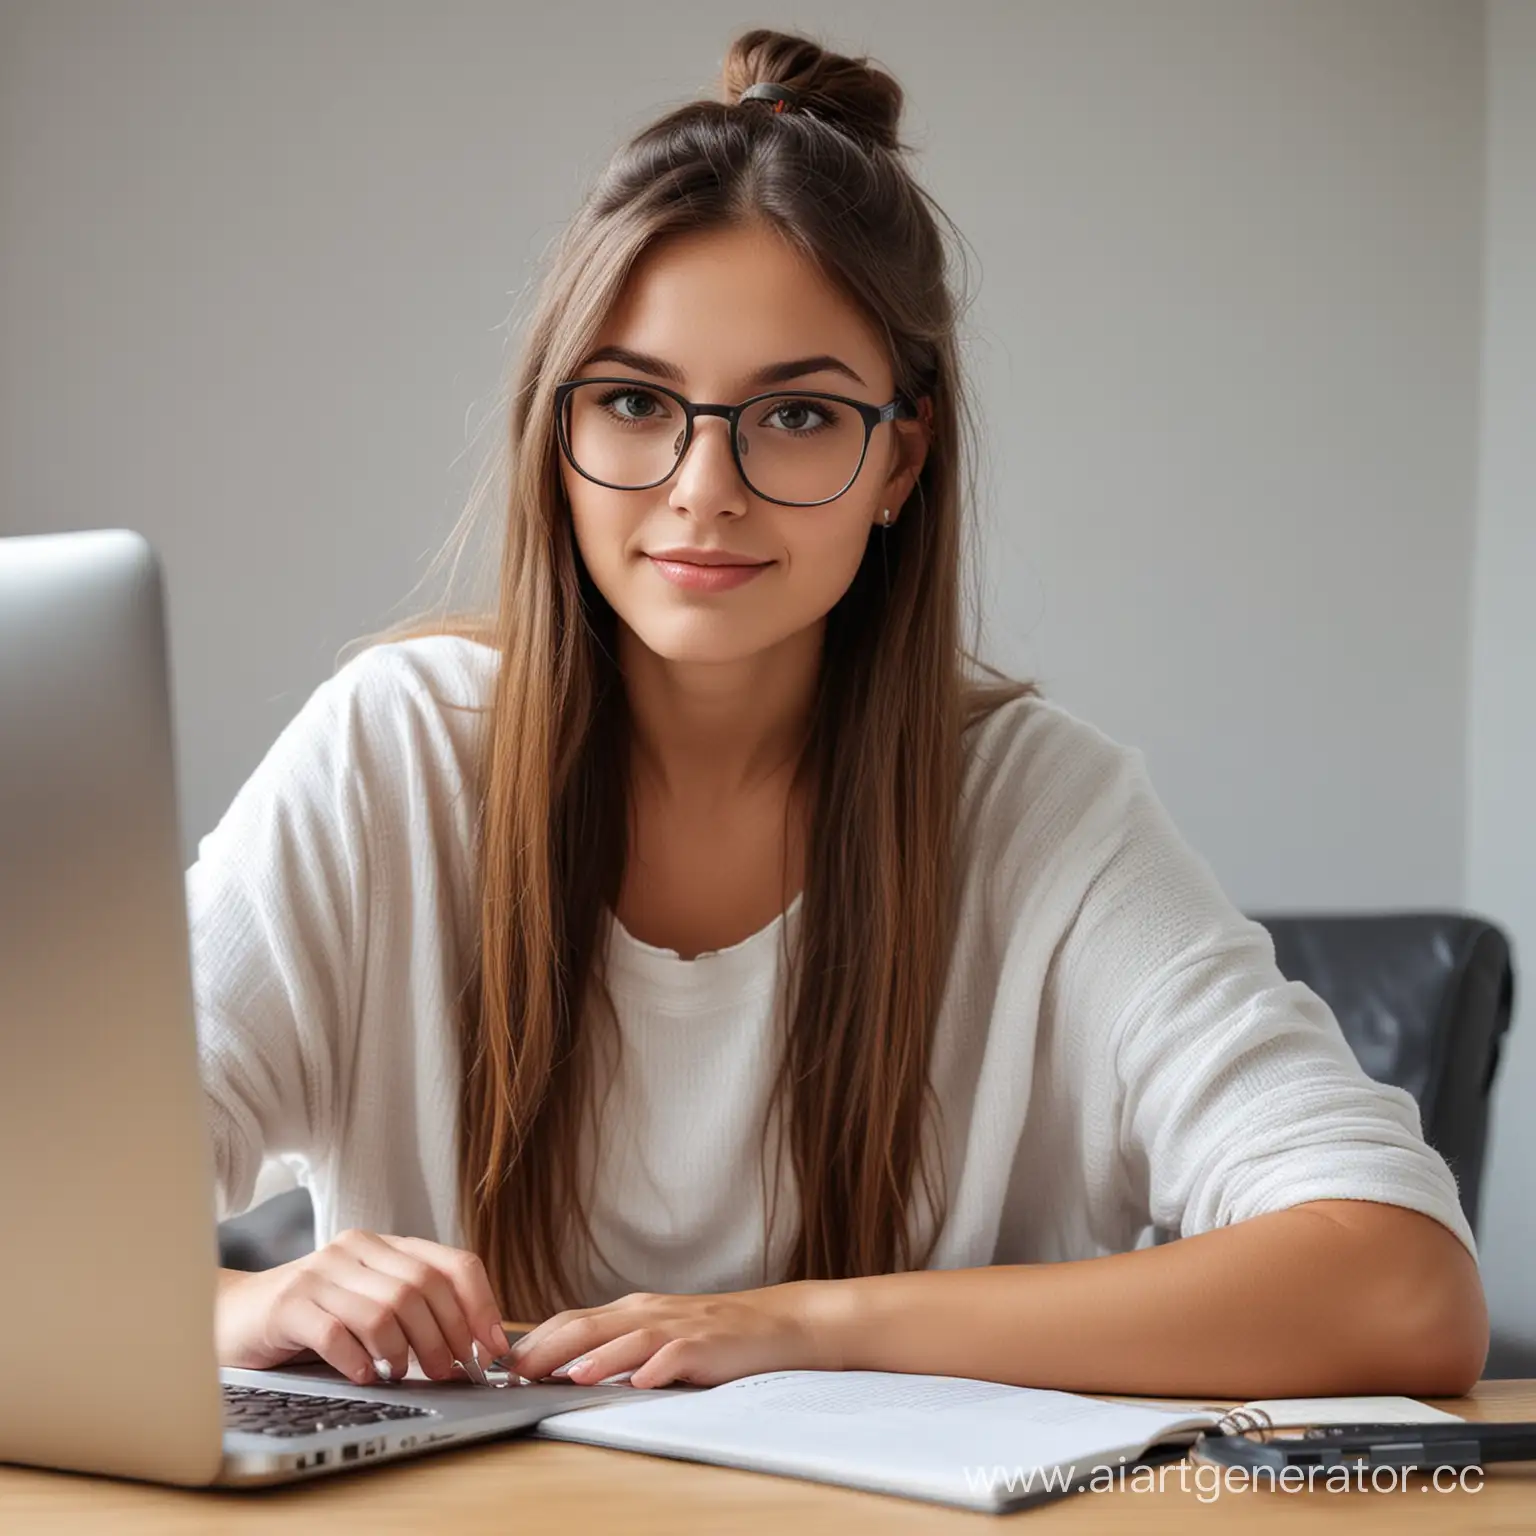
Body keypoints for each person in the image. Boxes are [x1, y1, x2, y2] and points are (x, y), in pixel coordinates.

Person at [201, 27, 1487, 1400]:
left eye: (798, 417)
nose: (703, 486)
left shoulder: (1039, 810)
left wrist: (800, 1326)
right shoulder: (390, 753)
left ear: (899, 460)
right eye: (634, 402)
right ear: (553, 434)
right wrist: (245, 1303)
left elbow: (1403, 1284)